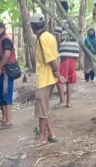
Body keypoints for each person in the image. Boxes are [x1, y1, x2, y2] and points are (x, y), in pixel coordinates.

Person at [30, 12, 65, 144]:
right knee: (44, 108)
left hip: (44, 79)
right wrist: (56, 74)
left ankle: (42, 137)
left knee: (42, 111)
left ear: (33, 26)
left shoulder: (41, 39)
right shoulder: (49, 36)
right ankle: (51, 134)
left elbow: (51, 59)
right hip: (49, 78)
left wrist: (57, 73)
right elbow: (57, 56)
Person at [54, 1, 80, 108]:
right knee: (70, 77)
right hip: (74, 52)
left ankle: (62, 101)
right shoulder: (73, 21)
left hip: (65, 51)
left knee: (59, 77)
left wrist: (58, 50)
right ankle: (68, 101)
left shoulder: (60, 21)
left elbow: (58, 38)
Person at [0, 22, 16, 129]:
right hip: (2, 71)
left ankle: (9, 120)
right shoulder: (0, 40)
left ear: (3, 29)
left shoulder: (6, 40)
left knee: (6, 95)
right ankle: (4, 118)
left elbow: (7, 55)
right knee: (2, 95)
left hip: (6, 71)